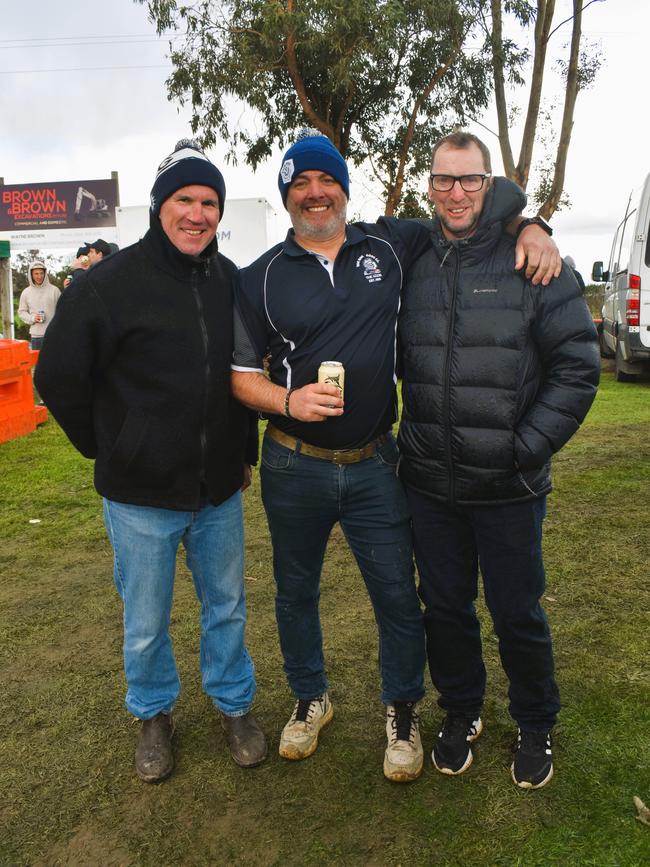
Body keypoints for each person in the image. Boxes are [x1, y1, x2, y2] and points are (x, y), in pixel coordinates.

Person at [231, 129, 560, 783]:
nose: (315, 192)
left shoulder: (392, 242)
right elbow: (240, 376)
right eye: (300, 183)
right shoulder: (258, 277)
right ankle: (309, 697)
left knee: (401, 597)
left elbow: (473, 201)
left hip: (379, 461)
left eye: (326, 181)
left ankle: (405, 710)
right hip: (295, 463)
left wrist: (534, 223)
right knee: (296, 592)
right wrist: (288, 403)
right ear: (287, 196)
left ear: (345, 189)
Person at [35, 140, 266, 783]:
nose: (197, 214)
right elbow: (57, 376)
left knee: (227, 607)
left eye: (210, 203)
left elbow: (242, 375)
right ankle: (154, 716)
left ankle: (233, 706)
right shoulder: (107, 284)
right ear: (161, 205)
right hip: (139, 496)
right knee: (145, 620)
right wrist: (111, 447)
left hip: (217, 490)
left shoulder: (230, 281)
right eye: (185, 200)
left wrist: (240, 454)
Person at [398, 131, 600, 790]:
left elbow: (577, 365)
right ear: (428, 187)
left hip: (510, 483)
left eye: (469, 180)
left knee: (518, 610)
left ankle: (536, 717)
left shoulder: (533, 261)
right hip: (430, 482)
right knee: (446, 608)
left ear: (491, 186)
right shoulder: (414, 257)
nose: (456, 193)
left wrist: (528, 446)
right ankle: (461, 709)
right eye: (443, 180)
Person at [18, 259, 60, 349]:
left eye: (41, 273)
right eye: (36, 274)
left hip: (54, 334)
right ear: (31, 275)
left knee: (54, 363)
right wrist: (32, 318)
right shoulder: (26, 292)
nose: (39, 276)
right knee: (38, 363)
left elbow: (62, 311)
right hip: (36, 336)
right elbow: (21, 312)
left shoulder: (54, 290)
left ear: (45, 274)